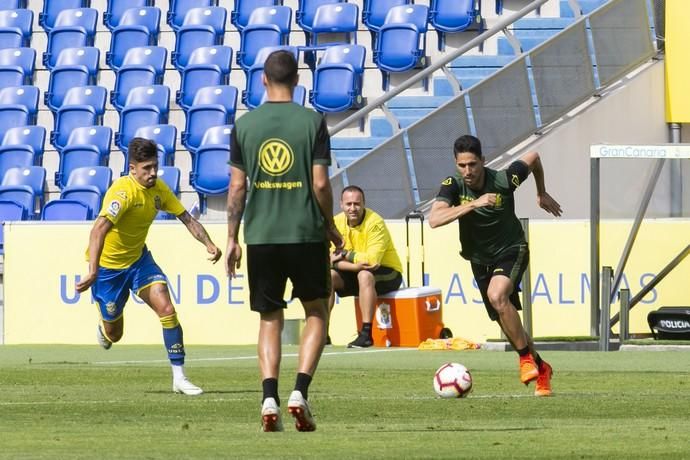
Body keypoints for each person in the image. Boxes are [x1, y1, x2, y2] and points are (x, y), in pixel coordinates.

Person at [225, 50, 343, 432]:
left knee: (269, 318)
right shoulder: (312, 121)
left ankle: (269, 398)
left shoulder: (245, 126)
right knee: (316, 312)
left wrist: (231, 238)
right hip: (305, 233)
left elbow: (236, 187)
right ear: (297, 80)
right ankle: (300, 391)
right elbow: (321, 183)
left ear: (263, 79)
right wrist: (330, 224)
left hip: (260, 235)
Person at [76, 138, 222, 396]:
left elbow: (187, 218)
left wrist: (209, 243)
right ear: (132, 168)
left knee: (166, 307)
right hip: (109, 270)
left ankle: (179, 377)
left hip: (139, 261)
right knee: (114, 334)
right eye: (147, 168)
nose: (153, 173)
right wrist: (93, 271)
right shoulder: (122, 192)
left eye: (155, 167)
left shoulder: (159, 190)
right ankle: (104, 326)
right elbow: (98, 229)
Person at [428, 135, 562, 397]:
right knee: (506, 321)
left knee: (497, 295)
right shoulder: (452, 186)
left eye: (473, 164)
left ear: (483, 161)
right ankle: (541, 367)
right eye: (462, 165)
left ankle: (524, 359)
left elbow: (533, 157)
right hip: (479, 260)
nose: (468, 171)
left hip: (512, 250)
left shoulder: (504, 180)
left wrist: (541, 191)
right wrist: (473, 205)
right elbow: (434, 219)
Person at [329, 185, 403, 348]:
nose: (353, 208)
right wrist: (354, 266)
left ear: (364, 204)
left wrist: (345, 254)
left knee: (365, 275)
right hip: (356, 271)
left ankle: (366, 335)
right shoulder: (336, 222)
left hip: (389, 272)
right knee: (328, 277)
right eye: (348, 204)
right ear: (341, 204)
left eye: (357, 204)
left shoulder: (375, 222)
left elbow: (372, 262)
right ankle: (322, 333)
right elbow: (328, 259)